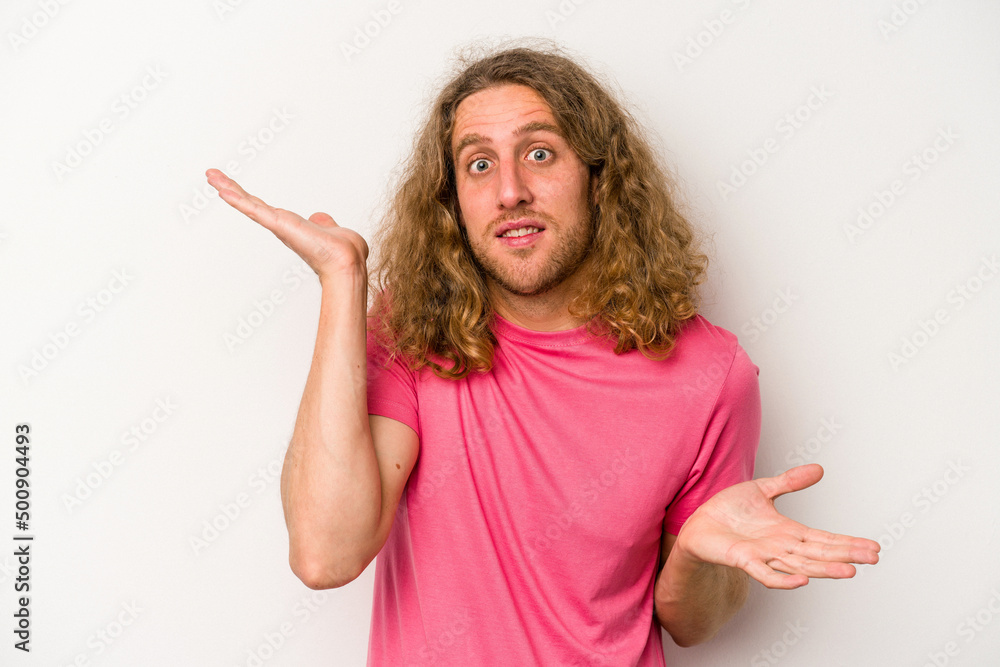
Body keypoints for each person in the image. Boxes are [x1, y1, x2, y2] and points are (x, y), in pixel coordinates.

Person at [206, 42, 879, 666]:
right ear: (453, 202)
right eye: (478, 164)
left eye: (538, 154)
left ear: (598, 178)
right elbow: (325, 553)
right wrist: (342, 282)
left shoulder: (711, 374)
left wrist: (699, 552)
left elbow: (693, 622)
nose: (509, 191)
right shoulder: (413, 336)